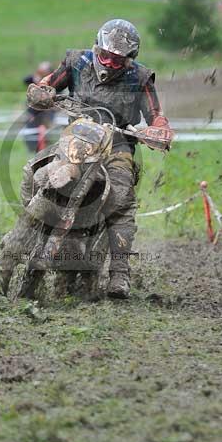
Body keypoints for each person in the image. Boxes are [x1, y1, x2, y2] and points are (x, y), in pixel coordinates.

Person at [26, 19, 173, 299]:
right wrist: (41, 92)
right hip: (76, 140)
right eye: (104, 56)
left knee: (121, 197)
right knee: (36, 171)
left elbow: (156, 114)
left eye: (117, 61)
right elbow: (48, 85)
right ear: (96, 48)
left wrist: (160, 130)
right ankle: (25, 227)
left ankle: (120, 271)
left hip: (117, 147)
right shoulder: (76, 62)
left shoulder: (141, 78)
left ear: (130, 60)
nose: (109, 63)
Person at [22, 61, 55, 152]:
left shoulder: (52, 82)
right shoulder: (35, 80)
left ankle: (46, 150)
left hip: (47, 114)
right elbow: (25, 80)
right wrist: (35, 77)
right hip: (33, 114)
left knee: (47, 135)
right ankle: (33, 150)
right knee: (32, 134)